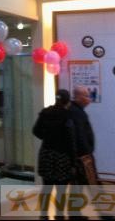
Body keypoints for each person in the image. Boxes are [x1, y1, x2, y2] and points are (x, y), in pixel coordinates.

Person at [33, 89, 75, 220]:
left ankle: (43, 215)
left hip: (46, 153)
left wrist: (47, 137)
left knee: (47, 187)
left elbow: (35, 130)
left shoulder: (45, 112)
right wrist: (73, 161)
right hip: (62, 155)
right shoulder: (67, 115)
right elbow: (70, 139)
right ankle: (59, 215)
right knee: (61, 189)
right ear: (67, 101)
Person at [69, 85, 95, 184]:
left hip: (82, 156)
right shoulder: (76, 113)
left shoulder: (77, 110)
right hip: (82, 158)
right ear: (79, 97)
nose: (89, 99)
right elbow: (80, 136)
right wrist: (87, 154)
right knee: (83, 183)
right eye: (87, 96)